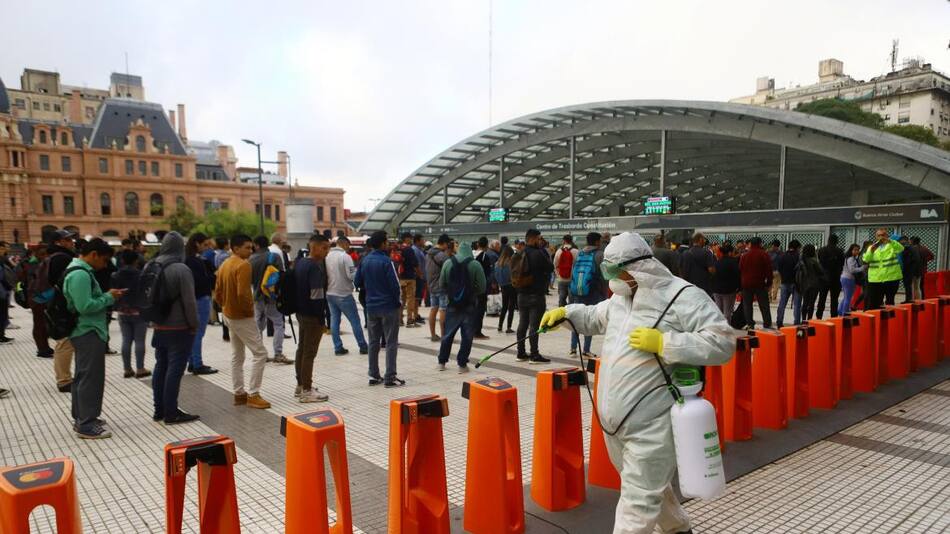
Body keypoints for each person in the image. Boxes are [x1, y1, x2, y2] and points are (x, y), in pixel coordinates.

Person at [540, 231, 736, 534]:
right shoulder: (621, 299)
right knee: (644, 486)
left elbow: (722, 343)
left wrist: (665, 342)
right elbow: (594, 316)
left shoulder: (683, 297)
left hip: (654, 424)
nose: (611, 279)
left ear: (638, 267)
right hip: (615, 425)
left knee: (636, 504)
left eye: (615, 271)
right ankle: (678, 528)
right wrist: (566, 314)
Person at [64, 238, 124, 439]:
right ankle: (86, 424)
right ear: (94, 255)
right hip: (88, 331)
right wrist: (108, 297)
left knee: (83, 376)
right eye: (105, 260)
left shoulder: (81, 271)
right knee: (90, 378)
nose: (105, 265)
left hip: (87, 331)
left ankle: (83, 417)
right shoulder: (80, 274)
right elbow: (85, 306)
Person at [148, 232, 200, 425]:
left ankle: (159, 410)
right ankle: (171, 413)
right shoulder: (181, 269)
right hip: (179, 327)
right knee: (175, 370)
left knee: (160, 366)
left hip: (158, 325)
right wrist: (194, 324)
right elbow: (189, 301)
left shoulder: (152, 264)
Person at [214, 234, 271, 409]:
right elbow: (243, 293)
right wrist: (249, 311)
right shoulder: (243, 265)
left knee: (237, 355)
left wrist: (225, 306)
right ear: (236, 248)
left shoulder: (225, 264)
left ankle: (239, 393)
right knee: (260, 353)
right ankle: (253, 394)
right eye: (247, 247)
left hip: (228, 314)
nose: (250, 250)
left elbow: (217, 292)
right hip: (241, 316)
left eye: (251, 247)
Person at [355, 231, 406, 388]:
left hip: (371, 307)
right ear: (383, 244)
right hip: (388, 307)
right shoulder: (387, 262)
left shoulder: (365, 260)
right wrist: (398, 303)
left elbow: (357, 281)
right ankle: (390, 376)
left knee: (373, 342)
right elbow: (395, 286)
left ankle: (373, 375)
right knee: (390, 342)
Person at [293, 234, 332, 403]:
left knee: (301, 350)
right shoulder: (314, 267)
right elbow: (317, 295)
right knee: (309, 352)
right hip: (312, 316)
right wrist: (321, 318)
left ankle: (300, 385)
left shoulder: (300, 263)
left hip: (300, 312)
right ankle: (307, 391)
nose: (327, 251)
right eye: (324, 248)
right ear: (314, 247)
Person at [436, 242, 485, 373]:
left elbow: (442, 283)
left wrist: (453, 293)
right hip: (469, 306)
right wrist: (471, 292)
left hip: (452, 305)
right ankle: (462, 365)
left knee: (448, 335)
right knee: (467, 336)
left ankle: (442, 362)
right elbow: (482, 287)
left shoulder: (448, 263)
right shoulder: (475, 265)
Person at [42, 230, 80, 391]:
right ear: (59, 242)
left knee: (63, 342)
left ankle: (64, 377)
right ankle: (64, 380)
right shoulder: (62, 258)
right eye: (68, 239)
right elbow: (66, 284)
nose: (72, 241)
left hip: (54, 303)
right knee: (65, 342)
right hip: (61, 305)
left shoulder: (52, 256)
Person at [110, 250, 150, 378]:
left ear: (122, 260)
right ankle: (140, 368)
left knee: (126, 340)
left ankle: (127, 369)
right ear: (136, 261)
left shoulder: (116, 275)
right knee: (139, 340)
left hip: (122, 310)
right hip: (138, 310)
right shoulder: (141, 275)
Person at [325, 236, 368, 355]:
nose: (349, 248)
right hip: (344, 294)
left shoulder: (327, 256)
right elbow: (352, 276)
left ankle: (338, 347)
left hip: (330, 293)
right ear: (344, 244)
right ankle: (363, 346)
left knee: (334, 320)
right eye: (348, 246)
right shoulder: (345, 256)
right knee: (355, 320)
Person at [515, 229, 553, 364]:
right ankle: (534, 355)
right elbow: (550, 268)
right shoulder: (538, 253)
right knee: (534, 326)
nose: (540, 241)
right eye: (539, 238)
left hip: (521, 294)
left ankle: (520, 353)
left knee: (522, 324)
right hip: (536, 295)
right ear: (533, 239)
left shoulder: (520, 253)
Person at [250, 235, 290, 363]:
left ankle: (260, 354)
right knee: (278, 324)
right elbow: (282, 276)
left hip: (257, 296)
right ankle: (278, 353)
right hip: (272, 297)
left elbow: (250, 280)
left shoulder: (251, 259)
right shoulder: (274, 256)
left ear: (256, 245)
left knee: (258, 325)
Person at [184, 233, 218, 375]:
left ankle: (192, 362)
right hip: (201, 298)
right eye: (204, 245)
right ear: (197, 244)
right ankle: (197, 364)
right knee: (198, 333)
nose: (206, 248)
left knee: (194, 332)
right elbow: (202, 280)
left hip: (192, 298)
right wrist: (213, 277)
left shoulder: (187, 259)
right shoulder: (195, 261)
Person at [569, 232, 606, 357]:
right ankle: (586, 350)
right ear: (596, 242)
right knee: (589, 319)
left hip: (578, 291)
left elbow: (573, 273)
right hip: (593, 291)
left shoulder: (580, 253)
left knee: (576, 318)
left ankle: (573, 348)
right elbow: (604, 276)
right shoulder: (600, 255)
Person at [18, 244, 52, 357]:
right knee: (39, 324)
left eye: (47, 254)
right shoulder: (30, 265)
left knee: (44, 323)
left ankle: (45, 347)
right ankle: (42, 349)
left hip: (43, 296)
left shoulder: (43, 264)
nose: (45, 256)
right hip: (36, 298)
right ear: (36, 254)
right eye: (42, 254)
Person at [862, 229, 904, 310]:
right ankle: (876, 320)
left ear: (887, 236)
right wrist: (871, 251)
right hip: (876, 279)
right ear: (876, 237)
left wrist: (890, 241)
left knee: (890, 303)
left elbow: (901, 249)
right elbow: (866, 259)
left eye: (883, 235)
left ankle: (889, 321)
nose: (881, 237)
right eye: (879, 235)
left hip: (891, 278)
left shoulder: (891, 245)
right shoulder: (872, 247)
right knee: (875, 303)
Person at [739, 237, 774, 329]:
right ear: (760, 243)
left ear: (750, 244)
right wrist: (769, 283)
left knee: (747, 305)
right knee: (764, 305)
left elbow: (740, 269)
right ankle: (767, 324)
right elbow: (769, 270)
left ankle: (750, 323)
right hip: (759, 283)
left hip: (746, 284)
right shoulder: (764, 255)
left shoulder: (744, 255)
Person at [425, 234, 453, 341]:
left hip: (431, 286)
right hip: (441, 287)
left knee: (433, 309)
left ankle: (433, 335)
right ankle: (444, 335)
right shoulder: (442, 255)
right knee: (443, 310)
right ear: (445, 243)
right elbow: (450, 269)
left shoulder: (427, 254)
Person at [473, 236, 498, 339]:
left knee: (473, 308)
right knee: (480, 309)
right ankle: (477, 331)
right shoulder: (484, 256)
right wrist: (491, 282)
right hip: (481, 287)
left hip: (471, 286)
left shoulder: (471, 254)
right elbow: (488, 273)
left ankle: (471, 329)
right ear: (487, 245)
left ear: (478, 244)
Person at [395, 232, 420, 328]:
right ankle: (410, 320)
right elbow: (415, 263)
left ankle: (400, 319)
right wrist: (419, 274)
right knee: (410, 299)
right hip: (410, 278)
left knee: (402, 299)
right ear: (406, 239)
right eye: (410, 238)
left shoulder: (398, 249)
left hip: (401, 277)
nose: (411, 240)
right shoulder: (409, 249)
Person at [816, 235, 845, 319]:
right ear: (837, 241)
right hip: (835, 278)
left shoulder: (821, 250)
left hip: (824, 278)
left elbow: (821, 262)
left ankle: (819, 316)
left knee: (822, 299)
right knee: (834, 300)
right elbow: (842, 264)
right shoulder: (840, 251)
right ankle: (833, 317)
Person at [776, 240, 802, 328]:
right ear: (797, 247)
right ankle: (797, 323)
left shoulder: (782, 256)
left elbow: (779, 268)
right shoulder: (799, 256)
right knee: (797, 305)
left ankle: (779, 321)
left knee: (782, 304)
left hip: (784, 283)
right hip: (796, 283)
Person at [711, 243, 740, 320]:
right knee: (727, 311)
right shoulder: (733, 262)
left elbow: (712, 275)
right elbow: (737, 275)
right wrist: (738, 288)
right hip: (729, 290)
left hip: (716, 290)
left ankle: (719, 326)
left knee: (718, 310)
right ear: (729, 252)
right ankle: (726, 327)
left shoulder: (716, 262)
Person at [798, 244, 825, 321]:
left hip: (804, 284)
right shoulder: (814, 261)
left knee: (805, 303)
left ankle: (803, 319)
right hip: (814, 284)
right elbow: (821, 271)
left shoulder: (801, 260)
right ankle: (809, 320)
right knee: (811, 304)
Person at [838, 244, 866, 316]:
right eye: (855, 250)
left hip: (845, 278)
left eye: (858, 250)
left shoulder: (848, 258)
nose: (857, 251)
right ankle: (845, 314)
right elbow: (852, 270)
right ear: (851, 250)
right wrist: (863, 268)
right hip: (848, 279)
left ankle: (841, 311)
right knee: (848, 298)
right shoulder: (851, 259)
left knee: (846, 297)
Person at [553, 235, 578, 307]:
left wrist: (558, 275)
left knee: (562, 297)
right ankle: (570, 314)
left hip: (561, 279)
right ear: (571, 240)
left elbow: (555, 264)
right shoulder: (576, 251)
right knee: (572, 299)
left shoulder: (559, 251)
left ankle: (561, 313)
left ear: (563, 241)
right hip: (572, 279)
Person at [899, 236, 922, 302]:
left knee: (909, 286)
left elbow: (907, 262)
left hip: (909, 271)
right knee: (916, 287)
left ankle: (909, 300)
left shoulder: (907, 249)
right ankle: (917, 301)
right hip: (916, 271)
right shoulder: (914, 248)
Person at [0, 242, 15, 344]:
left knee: (3, 314)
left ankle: (2, 335)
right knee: (1, 314)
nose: (7, 249)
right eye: (5, 247)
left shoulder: (3, 259)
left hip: (4, 290)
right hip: (1, 290)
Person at [412, 234, 427, 325]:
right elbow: (416, 265)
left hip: (420, 276)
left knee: (418, 297)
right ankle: (415, 315)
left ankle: (416, 314)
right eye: (422, 240)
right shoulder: (416, 251)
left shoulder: (419, 250)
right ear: (417, 241)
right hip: (418, 277)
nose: (424, 241)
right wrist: (420, 275)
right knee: (416, 297)